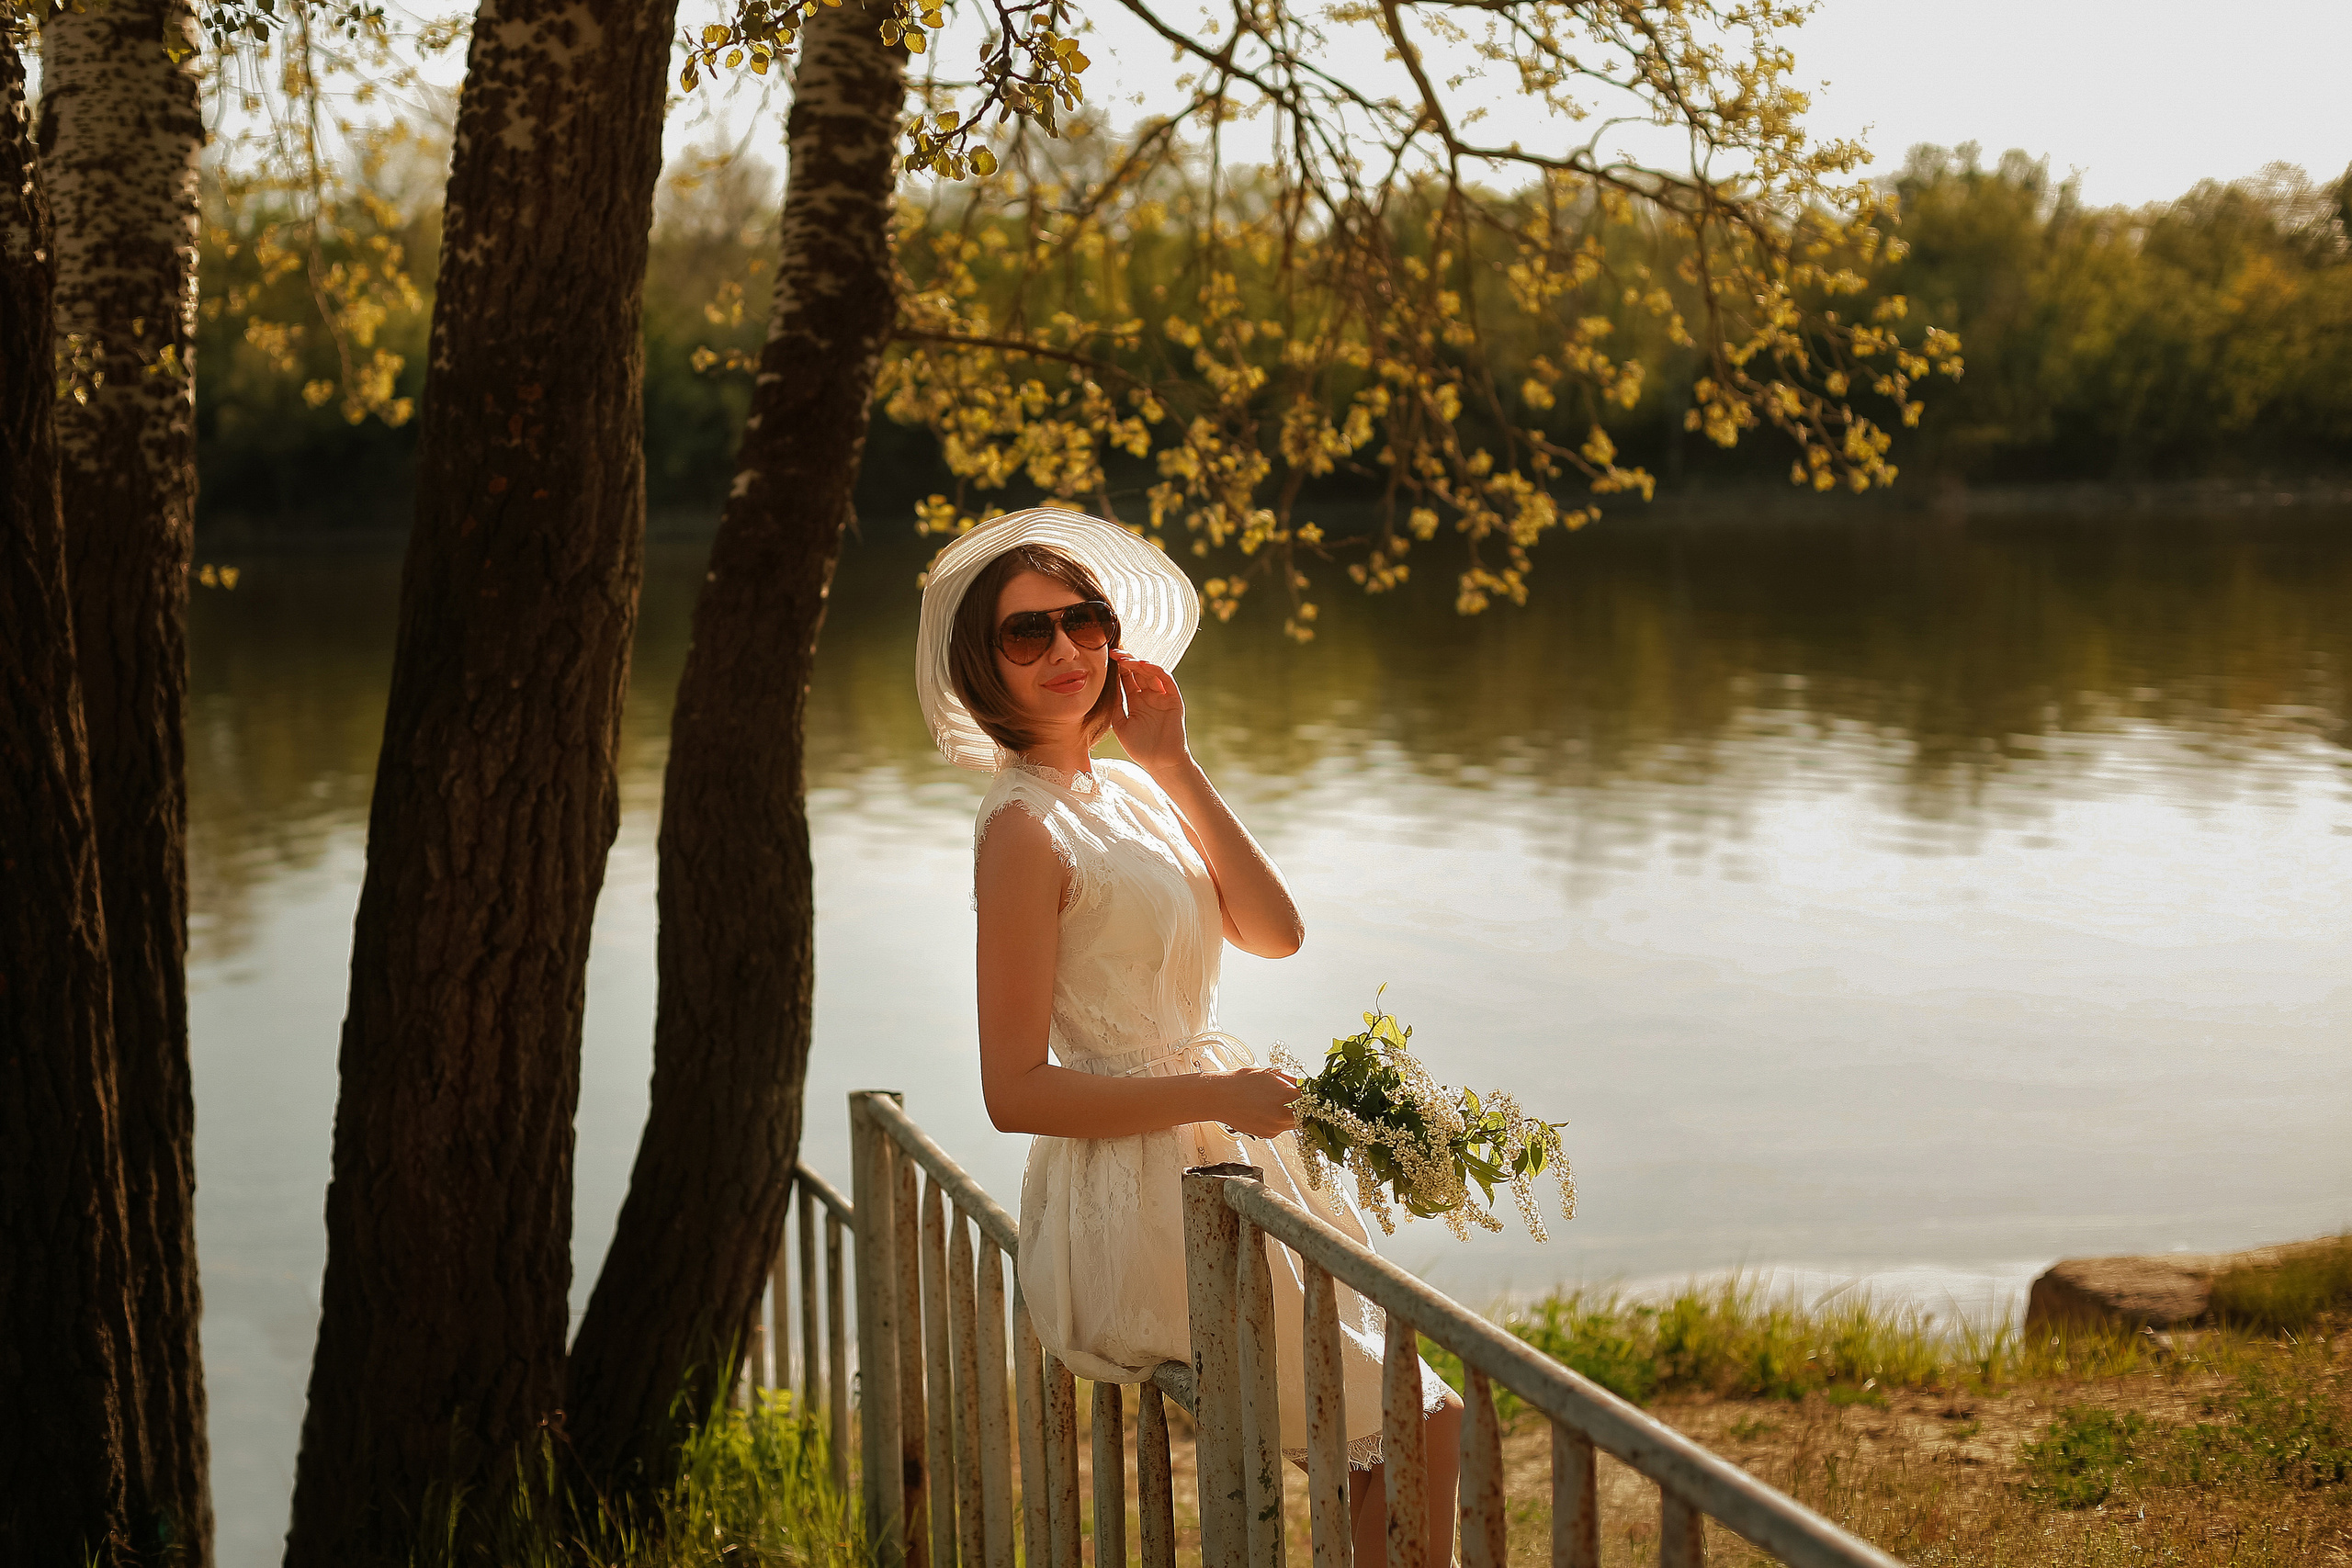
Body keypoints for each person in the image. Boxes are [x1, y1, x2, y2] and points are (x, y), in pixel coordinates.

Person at [914, 506, 1463, 1565]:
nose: (1067, 649)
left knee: (1412, 1419)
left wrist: (1174, 762)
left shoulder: (1120, 787)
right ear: (981, 668)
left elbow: (1275, 931)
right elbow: (1015, 1091)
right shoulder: (1022, 829)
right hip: (1139, 1189)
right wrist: (1216, 1098)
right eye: (1028, 634)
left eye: (1084, 620)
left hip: (1220, 1155)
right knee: (1412, 1419)